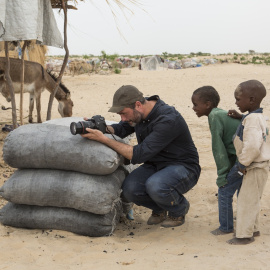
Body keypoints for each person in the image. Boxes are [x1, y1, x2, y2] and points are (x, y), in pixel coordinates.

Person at [82, 85, 201, 227]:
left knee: (155, 185)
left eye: (123, 113)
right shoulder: (138, 112)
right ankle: (159, 208)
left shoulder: (168, 119)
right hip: (155, 165)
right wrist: (102, 128)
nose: (123, 118)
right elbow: (121, 129)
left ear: (138, 105)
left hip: (183, 167)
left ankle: (179, 210)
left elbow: (138, 154)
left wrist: (104, 139)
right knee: (130, 189)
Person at [191, 86, 243, 235]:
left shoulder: (214, 116)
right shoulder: (219, 114)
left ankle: (226, 228)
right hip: (247, 158)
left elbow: (218, 148)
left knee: (224, 190)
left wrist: (222, 175)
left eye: (196, 104)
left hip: (244, 159)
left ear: (208, 104)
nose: (193, 108)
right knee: (242, 191)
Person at [226, 80, 270, 245]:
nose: (236, 103)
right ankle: (254, 229)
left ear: (251, 100)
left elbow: (252, 146)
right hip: (260, 167)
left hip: (254, 166)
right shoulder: (256, 116)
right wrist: (241, 116)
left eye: (238, 99)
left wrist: (241, 165)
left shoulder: (252, 121)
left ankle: (244, 235)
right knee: (253, 200)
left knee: (245, 202)